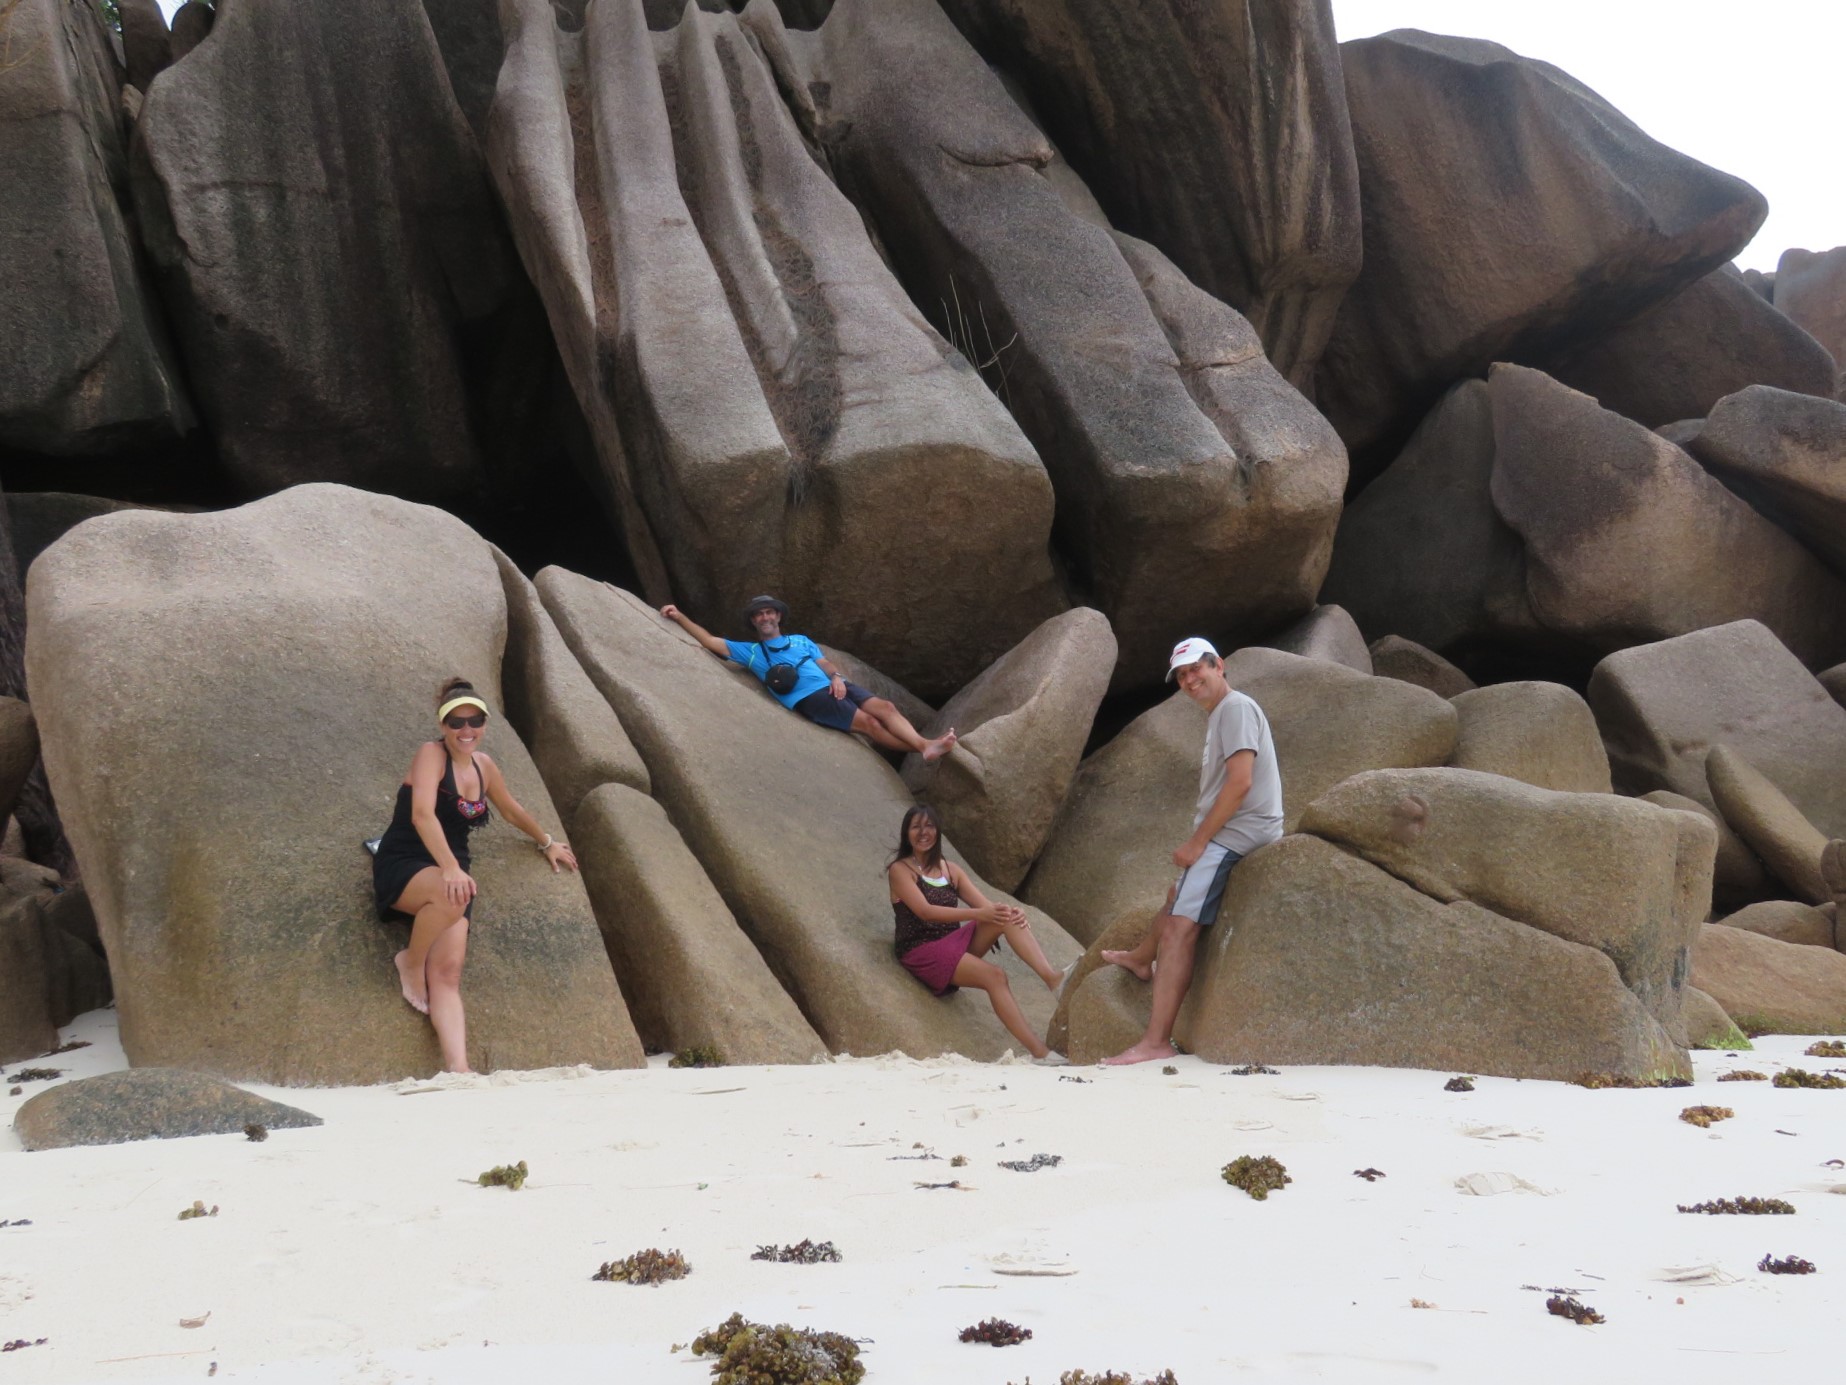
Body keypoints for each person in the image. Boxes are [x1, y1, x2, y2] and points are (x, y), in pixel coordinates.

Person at [372, 678, 579, 1073]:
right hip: (406, 861)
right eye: (456, 722)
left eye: (475, 721)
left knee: (448, 971)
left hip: (453, 876)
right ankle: (410, 961)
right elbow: (422, 815)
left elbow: (511, 809)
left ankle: (460, 1070)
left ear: (484, 724)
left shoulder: (484, 766)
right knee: (455, 895)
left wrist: (547, 842)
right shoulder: (431, 755)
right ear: (443, 725)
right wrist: (450, 868)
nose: (466, 730)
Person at [1098, 638, 1283, 1066]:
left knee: (1180, 927)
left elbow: (1241, 782)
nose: (1189, 680)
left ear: (1219, 665)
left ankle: (1156, 1041)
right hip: (1236, 830)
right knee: (1175, 895)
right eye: (1181, 675)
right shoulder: (1223, 713)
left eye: (1196, 668)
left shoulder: (1235, 709)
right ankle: (1142, 958)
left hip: (1238, 834)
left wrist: (1198, 842)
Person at [659, 595, 957, 761]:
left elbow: (823, 662)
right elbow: (710, 641)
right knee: (870, 724)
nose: (765, 617)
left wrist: (837, 677)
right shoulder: (751, 652)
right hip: (810, 697)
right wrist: (679, 616)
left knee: (886, 708)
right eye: (759, 615)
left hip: (833, 684)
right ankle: (924, 748)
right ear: (753, 621)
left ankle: (924, 745)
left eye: (769, 612)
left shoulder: (801, 640)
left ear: (778, 617)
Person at [888, 804, 1069, 1065]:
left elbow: (987, 908)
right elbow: (925, 912)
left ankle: (1053, 980)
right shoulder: (900, 870)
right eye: (916, 827)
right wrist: (978, 914)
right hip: (922, 950)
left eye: (929, 826)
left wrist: (1010, 912)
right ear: (907, 833)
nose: (923, 832)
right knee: (995, 976)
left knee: (1005, 916)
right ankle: (1040, 1053)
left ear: (938, 831)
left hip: (952, 945)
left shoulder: (951, 870)